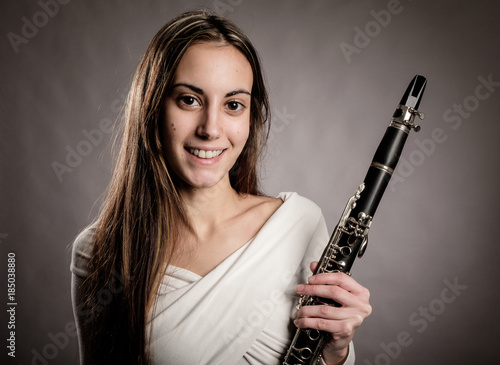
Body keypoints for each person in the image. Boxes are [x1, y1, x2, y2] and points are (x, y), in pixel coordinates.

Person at [70, 10, 371, 365]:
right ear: (151, 107)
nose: (211, 129)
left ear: (249, 118)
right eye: (189, 100)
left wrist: (337, 351)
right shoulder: (102, 249)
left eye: (233, 105)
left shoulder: (299, 223)